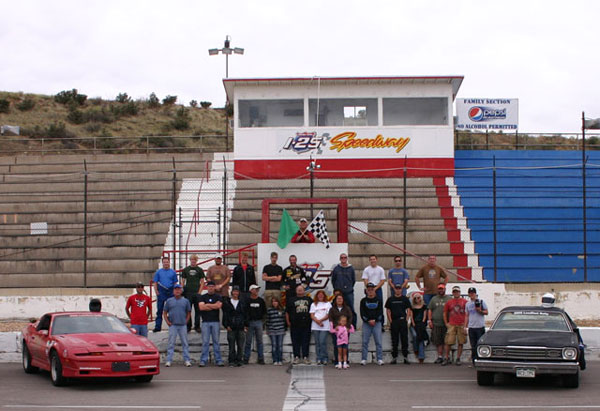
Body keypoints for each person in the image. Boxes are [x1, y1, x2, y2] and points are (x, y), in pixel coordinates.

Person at [163, 284, 192, 367]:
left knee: (185, 343)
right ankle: (169, 360)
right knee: (171, 343)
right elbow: (165, 312)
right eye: (176, 289)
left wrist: (186, 321)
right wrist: (167, 322)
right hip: (173, 325)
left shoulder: (185, 301)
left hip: (182, 325)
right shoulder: (169, 301)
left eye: (179, 289)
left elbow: (188, 312)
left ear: (181, 291)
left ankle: (187, 360)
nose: (177, 291)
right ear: (173, 291)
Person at [197, 281, 224, 367]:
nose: (211, 288)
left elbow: (218, 306)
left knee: (216, 342)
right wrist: (212, 305)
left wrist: (207, 305)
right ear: (207, 287)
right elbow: (201, 307)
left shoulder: (218, 296)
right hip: (205, 322)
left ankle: (218, 360)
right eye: (209, 286)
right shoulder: (202, 297)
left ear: (215, 287)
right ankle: (203, 360)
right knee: (205, 342)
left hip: (215, 322)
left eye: (212, 286)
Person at [385, 284, 412, 364]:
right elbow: (388, 310)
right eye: (396, 288)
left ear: (401, 289)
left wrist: (406, 319)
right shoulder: (390, 299)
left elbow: (409, 309)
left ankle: (405, 357)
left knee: (404, 339)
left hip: (402, 321)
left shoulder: (405, 299)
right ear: (394, 290)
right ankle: (394, 357)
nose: (398, 290)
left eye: (399, 288)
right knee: (394, 340)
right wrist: (390, 321)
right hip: (394, 321)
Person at [286, 285, 313, 364]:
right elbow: (287, 312)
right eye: (298, 289)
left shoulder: (309, 299)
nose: (300, 291)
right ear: (296, 291)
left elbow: (313, 311)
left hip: (306, 324)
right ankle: (296, 357)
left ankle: (305, 357)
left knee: (306, 341)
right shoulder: (291, 300)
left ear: (304, 291)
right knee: (295, 341)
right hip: (294, 324)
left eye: (301, 289)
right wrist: (288, 322)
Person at [222, 286, 247, 367]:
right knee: (231, 345)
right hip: (231, 326)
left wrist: (246, 325)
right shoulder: (227, 302)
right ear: (232, 292)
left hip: (241, 326)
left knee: (240, 345)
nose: (235, 293)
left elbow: (246, 315)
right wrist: (226, 325)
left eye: (237, 291)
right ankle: (231, 361)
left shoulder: (242, 302)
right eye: (234, 291)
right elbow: (225, 315)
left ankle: (240, 360)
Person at [360, 283, 384, 366]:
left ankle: (380, 359)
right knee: (365, 342)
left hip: (377, 323)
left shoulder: (379, 300)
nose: (370, 291)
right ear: (366, 291)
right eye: (369, 289)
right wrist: (368, 320)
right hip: (366, 323)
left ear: (374, 290)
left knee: (378, 342)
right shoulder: (363, 301)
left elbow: (381, 312)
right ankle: (364, 359)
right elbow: (362, 313)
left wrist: (375, 320)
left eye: (372, 289)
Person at [152, 257, 178, 332]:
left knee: (171, 310)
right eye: (164, 262)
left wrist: (174, 292)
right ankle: (158, 326)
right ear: (162, 263)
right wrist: (156, 291)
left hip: (170, 291)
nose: (166, 263)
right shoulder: (158, 272)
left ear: (169, 263)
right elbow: (155, 282)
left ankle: (172, 325)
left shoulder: (173, 272)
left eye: (167, 262)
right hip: (161, 291)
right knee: (159, 310)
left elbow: (175, 283)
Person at [443, 285, 468, 366]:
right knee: (448, 342)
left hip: (461, 324)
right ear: (452, 293)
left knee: (461, 342)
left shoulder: (464, 301)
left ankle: (458, 358)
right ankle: (447, 357)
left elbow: (467, 313)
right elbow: (445, 313)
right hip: (452, 324)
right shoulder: (449, 302)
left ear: (459, 292)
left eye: (457, 292)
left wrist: (465, 325)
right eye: (454, 292)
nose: (456, 293)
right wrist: (446, 323)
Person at [330, 253, 357, 328]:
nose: (343, 259)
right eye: (342, 257)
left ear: (347, 258)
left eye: (345, 257)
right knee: (335, 308)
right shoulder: (336, 268)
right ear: (340, 259)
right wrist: (336, 289)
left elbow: (353, 280)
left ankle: (352, 325)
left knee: (351, 308)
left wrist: (349, 288)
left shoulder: (351, 268)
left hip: (349, 292)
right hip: (339, 293)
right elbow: (333, 280)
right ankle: (335, 325)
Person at [181, 254, 205, 333]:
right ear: (190, 260)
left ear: (196, 261)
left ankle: (197, 326)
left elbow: (202, 282)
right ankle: (188, 326)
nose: (193, 261)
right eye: (192, 260)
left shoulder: (199, 270)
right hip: (188, 292)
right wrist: (182, 290)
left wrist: (199, 292)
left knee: (198, 310)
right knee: (188, 310)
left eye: (194, 260)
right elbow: (183, 281)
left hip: (196, 292)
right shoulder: (186, 270)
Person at [428, 284, 451, 364]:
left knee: (447, 341)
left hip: (446, 324)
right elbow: (430, 310)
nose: (441, 290)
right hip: (436, 323)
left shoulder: (449, 298)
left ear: (445, 289)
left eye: (442, 289)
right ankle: (440, 356)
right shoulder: (434, 299)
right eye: (439, 289)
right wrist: (429, 321)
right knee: (438, 341)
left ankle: (447, 357)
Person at [244, 284, 266, 364]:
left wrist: (263, 322)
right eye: (255, 289)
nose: (256, 291)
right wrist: (245, 324)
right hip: (249, 322)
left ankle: (261, 358)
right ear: (251, 290)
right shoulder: (247, 301)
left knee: (260, 341)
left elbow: (264, 312)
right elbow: (245, 312)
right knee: (248, 341)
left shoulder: (261, 300)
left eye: (257, 290)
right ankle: (246, 358)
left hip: (258, 322)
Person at [328, 293, 354, 365]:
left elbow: (350, 317)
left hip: (345, 330)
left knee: (345, 346)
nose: (339, 300)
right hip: (336, 330)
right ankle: (337, 361)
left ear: (343, 300)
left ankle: (345, 361)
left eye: (341, 299)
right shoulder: (332, 309)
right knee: (336, 346)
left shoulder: (347, 308)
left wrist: (348, 326)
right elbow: (330, 319)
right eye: (338, 299)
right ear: (335, 300)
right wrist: (335, 326)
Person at [465, 287, 488, 365]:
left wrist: (480, 310)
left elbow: (486, 312)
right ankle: (474, 361)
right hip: (472, 327)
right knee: (473, 345)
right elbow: (467, 315)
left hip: (480, 327)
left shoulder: (481, 302)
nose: (472, 295)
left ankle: (481, 360)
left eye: (473, 293)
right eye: (470, 293)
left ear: (475, 294)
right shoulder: (467, 304)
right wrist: (465, 326)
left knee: (480, 345)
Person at [310, 290, 332, 365]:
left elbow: (328, 315)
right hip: (315, 326)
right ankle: (319, 358)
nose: (320, 296)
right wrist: (318, 321)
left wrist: (321, 321)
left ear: (324, 296)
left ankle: (325, 358)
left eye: (322, 295)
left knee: (322, 342)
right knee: (317, 343)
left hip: (324, 326)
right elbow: (312, 315)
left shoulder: (328, 304)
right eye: (319, 295)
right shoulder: (313, 304)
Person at [266, 296, 286, 365]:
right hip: (272, 330)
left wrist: (284, 328)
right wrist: (268, 329)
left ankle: (280, 360)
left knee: (280, 346)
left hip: (280, 329)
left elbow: (284, 320)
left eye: (276, 301)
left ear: (278, 302)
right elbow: (268, 320)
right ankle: (275, 360)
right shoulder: (269, 310)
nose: (275, 303)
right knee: (274, 346)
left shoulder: (281, 310)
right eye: (273, 301)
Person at [409, 292, 428, 364]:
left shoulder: (424, 306)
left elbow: (424, 316)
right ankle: (415, 349)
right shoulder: (412, 307)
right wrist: (413, 324)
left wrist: (422, 323)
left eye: (418, 297)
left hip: (421, 325)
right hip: (414, 325)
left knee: (421, 338)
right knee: (415, 335)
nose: (417, 299)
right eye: (415, 298)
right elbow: (411, 316)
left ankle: (421, 356)